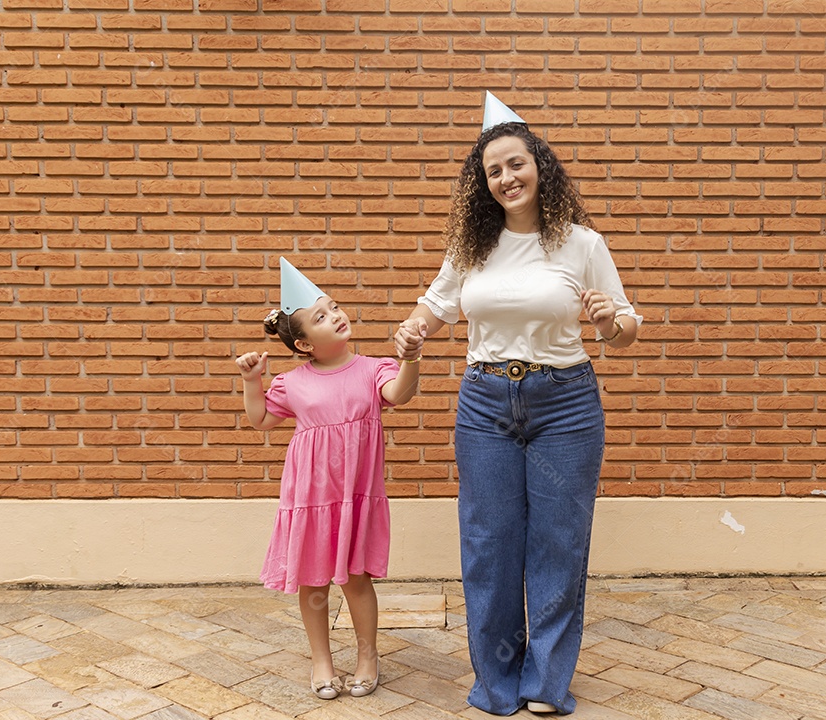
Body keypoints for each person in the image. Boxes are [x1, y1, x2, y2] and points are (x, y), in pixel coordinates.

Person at [394, 92, 641, 716]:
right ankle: (497, 682)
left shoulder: (582, 244)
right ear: (484, 184)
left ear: (541, 166)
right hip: (485, 405)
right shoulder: (470, 246)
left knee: (559, 540)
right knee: (488, 540)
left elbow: (624, 328)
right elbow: (436, 302)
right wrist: (416, 325)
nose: (507, 178)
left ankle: (546, 683)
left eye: (516, 164)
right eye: (494, 170)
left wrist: (611, 320)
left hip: (565, 403)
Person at [236, 257, 423, 701]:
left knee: (356, 577)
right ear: (303, 343)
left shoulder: (373, 369)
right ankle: (321, 660)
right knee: (313, 580)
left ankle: (366, 656)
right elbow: (261, 419)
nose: (336, 315)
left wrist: (409, 359)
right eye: (321, 316)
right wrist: (251, 380)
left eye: (334, 306)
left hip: (355, 496)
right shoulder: (293, 382)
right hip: (311, 497)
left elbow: (400, 393)